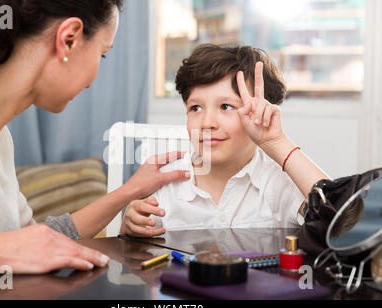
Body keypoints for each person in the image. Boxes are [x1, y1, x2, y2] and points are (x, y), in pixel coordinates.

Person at [0, 0, 191, 286]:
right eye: (102, 55)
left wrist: (131, 190)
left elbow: (39, 240)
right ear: (69, 39)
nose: (93, 80)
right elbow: (11, 248)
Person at [120, 44, 331, 237]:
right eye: (196, 108)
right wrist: (129, 228)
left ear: (262, 112)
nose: (207, 122)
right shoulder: (163, 183)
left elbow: (343, 221)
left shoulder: (279, 182)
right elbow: (130, 253)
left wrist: (277, 142)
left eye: (226, 107)